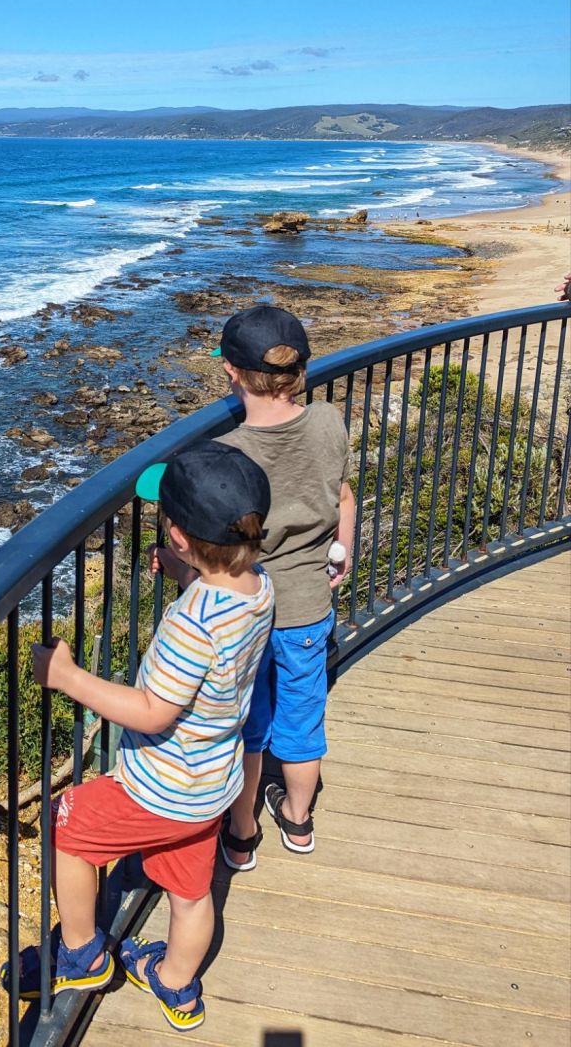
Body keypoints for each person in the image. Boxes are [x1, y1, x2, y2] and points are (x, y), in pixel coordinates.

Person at [6, 441, 273, 1031]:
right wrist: (188, 573)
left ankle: (83, 954)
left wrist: (69, 677)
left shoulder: (193, 624)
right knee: (191, 891)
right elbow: (219, 613)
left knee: (65, 822)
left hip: (163, 787)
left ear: (178, 534)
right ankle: (178, 986)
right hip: (212, 783)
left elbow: (153, 711)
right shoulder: (258, 589)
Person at [210, 304, 354, 862]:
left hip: (250, 609)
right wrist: (342, 555)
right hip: (309, 607)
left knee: (249, 725)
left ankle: (242, 833)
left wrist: (174, 566)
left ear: (231, 372)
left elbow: (222, 550)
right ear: (300, 372)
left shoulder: (231, 452)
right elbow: (342, 497)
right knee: (302, 716)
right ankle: (297, 820)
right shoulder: (328, 421)